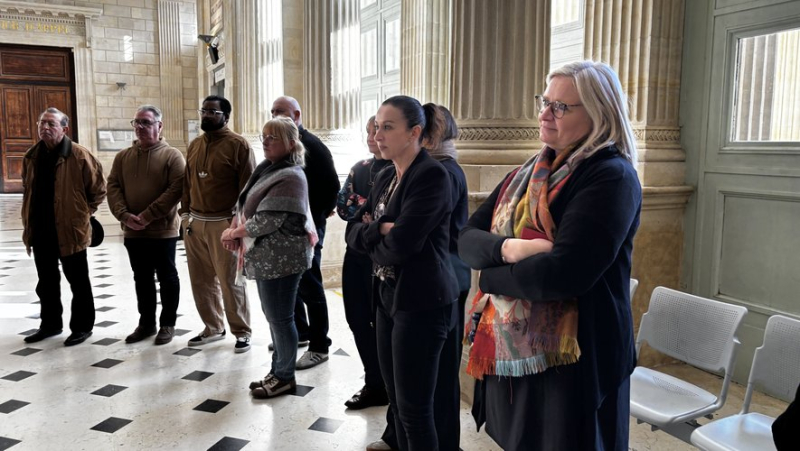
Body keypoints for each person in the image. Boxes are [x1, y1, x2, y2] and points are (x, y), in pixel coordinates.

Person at [458, 61, 642, 450]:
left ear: (598, 113)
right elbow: (465, 239)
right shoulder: (527, 174)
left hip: (577, 354)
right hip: (517, 345)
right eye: (545, 101)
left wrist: (489, 277)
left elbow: (562, 275)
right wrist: (511, 248)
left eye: (560, 107)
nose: (544, 113)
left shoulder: (610, 175)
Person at [347, 96, 461, 451]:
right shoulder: (383, 175)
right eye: (377, 127)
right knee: (397, 401)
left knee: (415, 411)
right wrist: (380, 230)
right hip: (386, 296)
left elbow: (403, 245)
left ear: (414, 132)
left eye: (388, 127)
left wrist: (376, 235)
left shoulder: (432, 175)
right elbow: (352, 232)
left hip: (422, 302)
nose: (378, 135)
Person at [222, 117, 317, 398]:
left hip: (283, 260)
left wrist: (232, 233)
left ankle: (285, 377)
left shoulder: (291, 175)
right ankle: (278, 371)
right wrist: (236, 230)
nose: (265, 142)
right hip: (267, 258)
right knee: (275, 317)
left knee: (281, 319)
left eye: (273, 137)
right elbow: (249, 207)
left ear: (290, 143)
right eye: (264, 136)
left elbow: (267, 221)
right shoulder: (270, 168)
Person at [21, 107, 106, 346]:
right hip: (40, 230)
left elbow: (98, 189)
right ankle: (50, 325)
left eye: (51, 124)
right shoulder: (31, 156)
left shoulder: (79, 155)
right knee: (46, 282)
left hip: (70, 230)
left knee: (78, 281)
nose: (45, 128)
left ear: (64, 129)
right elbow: (28, 189)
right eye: (42, 123)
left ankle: (82, 327)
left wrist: (82, 213)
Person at [181, 95, 256, 353]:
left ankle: (242, 331)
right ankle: (213, 327)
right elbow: (186, 183)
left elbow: (249, 190)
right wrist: (184, 215)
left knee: (230, 281)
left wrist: (237, 225)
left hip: (224, 223)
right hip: (195, 223)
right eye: (204, 110)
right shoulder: (195, 145)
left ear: (226, 116)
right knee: (201, 281)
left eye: (213, 111)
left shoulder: (239, 145)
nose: (207, 115)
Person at [270, 96, 340, 370]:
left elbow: (332, 186)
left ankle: (320, 345)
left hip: (307, 230)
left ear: (297, 114)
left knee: (311, 285)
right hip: (289, 231)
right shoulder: (284, 146)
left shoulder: (312, 146)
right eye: (273, 111)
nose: (276, 115)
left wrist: (315, 218)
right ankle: (301, 332)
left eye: (281, 112)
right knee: (293, 283)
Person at [107, 105, 185, 345]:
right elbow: (113, 186)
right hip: (133, 231)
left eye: (146, 123)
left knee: (167, 277)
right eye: (137, 122)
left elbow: (176, 189)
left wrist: (148, 215)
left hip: (162, 231)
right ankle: (146, 323)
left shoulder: (172, 155)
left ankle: (167, 324)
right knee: (141, 278)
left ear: (159, 126)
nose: (140, 127)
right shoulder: (123, 157)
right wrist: (125, 215)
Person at [336, 116, 392, 410]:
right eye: (370, 131)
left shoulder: (398, 169)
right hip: (356, 253)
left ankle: (384, 383)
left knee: (381, 323)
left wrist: (369, 212)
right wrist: (368, 211)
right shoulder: (360, 168)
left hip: (380, 259)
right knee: (357, 319)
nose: (373, 136)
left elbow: (387, 218)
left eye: (380, 130)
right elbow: (343, 205)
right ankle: (374, 380)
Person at [422, 104, 471, 347]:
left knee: (444, 355)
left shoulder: (443, 171)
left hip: (448, 272)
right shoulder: (442, 167)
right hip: (447, 270)